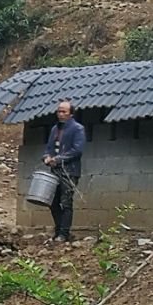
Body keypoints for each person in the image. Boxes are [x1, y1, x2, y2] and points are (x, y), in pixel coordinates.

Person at [43, 99, 86, 243]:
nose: (60, 114)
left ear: (71, 114)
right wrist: (46, 157)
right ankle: (58, 230)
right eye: (59, 111)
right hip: (55, 171)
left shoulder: (77, 129)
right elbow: (48, 149)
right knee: (53, 202)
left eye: (64, 112)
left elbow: (77, 150)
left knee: (66, 202)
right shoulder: (54, 129)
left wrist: (59, 159)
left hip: (70, 171)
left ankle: (64, 233)